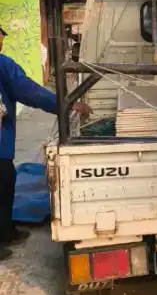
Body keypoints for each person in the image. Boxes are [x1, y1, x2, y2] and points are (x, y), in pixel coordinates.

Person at [0, 25, 90, 257]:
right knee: (3, 182)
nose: (2, 41)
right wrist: (66, 104)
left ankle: (7, 232)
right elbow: (29, 91)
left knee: (7, 183)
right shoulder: (3, 64)